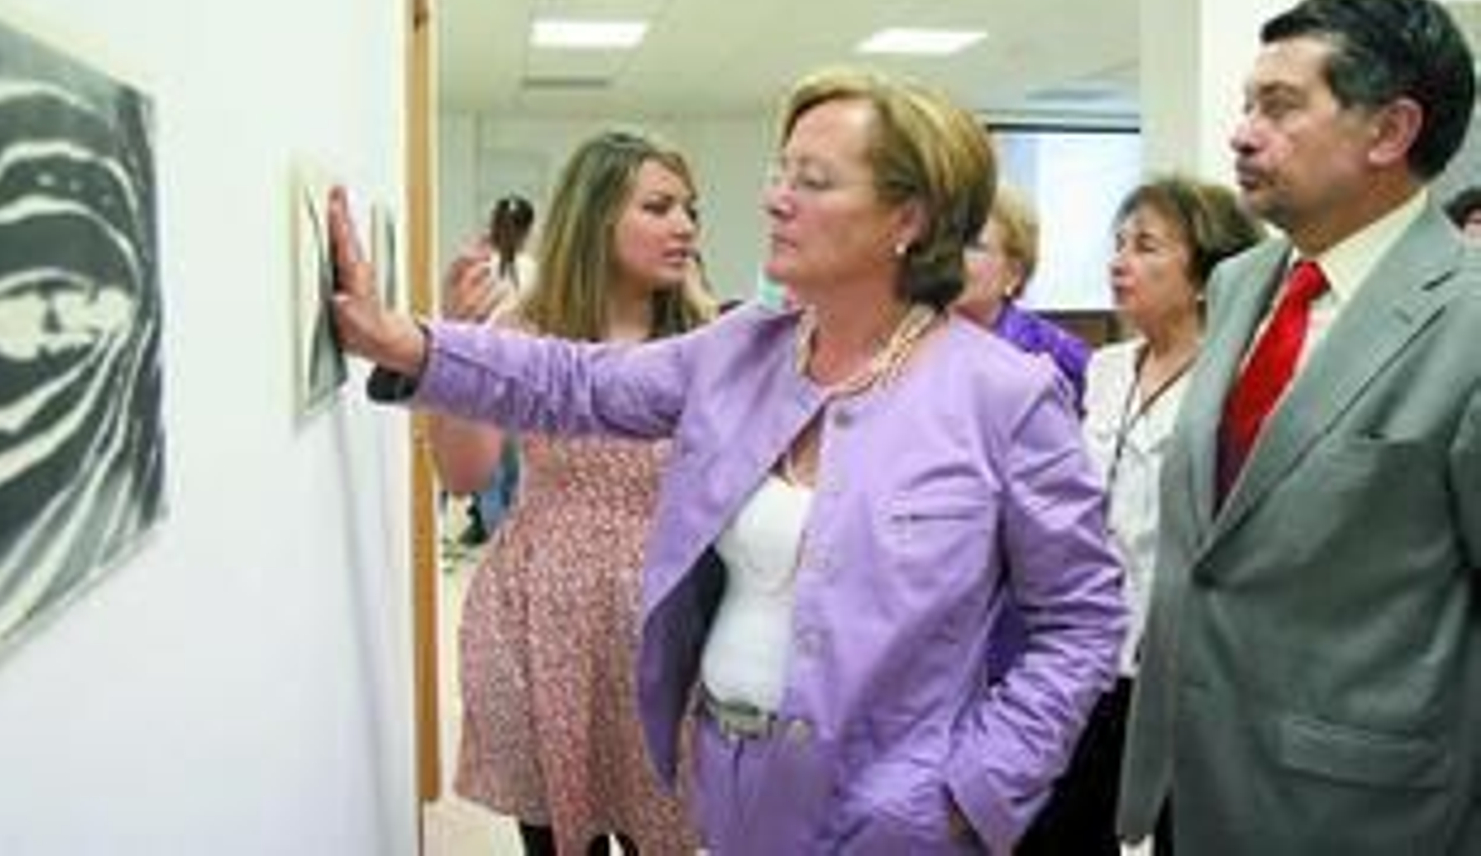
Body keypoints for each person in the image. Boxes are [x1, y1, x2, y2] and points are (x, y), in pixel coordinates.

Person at [332, 66, 1126, 854]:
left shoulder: (1004, 394)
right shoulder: (743, 350)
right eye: (781, 173)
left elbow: (1082, 618)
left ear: (907, 219)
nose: (776, 198)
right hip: (733, 789)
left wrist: (974, 790)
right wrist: (400, 339)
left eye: (813, 181)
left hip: (900, 810)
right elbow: (571, 382)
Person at [1118, 0, 1481, 855]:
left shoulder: (1467, 324)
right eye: (1247, 104)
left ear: (1389, 132)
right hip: (1182, 780)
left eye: (1278, 107)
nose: (1242, 133)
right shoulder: (1244, 283)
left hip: (1365, 814)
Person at [430, 130, 709, 855]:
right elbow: (464, 474)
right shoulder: (524, 331)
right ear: (596, 216)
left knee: (671, 832)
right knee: (558, 841)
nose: (684, 225)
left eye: (689, 208)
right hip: (542, 614)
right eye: (659, 206)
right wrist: (455, 342)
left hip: (666, 617)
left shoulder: (705, 340)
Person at [1016, 177, 1262, 856]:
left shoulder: (1238, 377)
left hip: (1182, 658)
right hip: (1090, 648)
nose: (1119, 261)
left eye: (1146, 246)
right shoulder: (1106, 368)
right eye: (1118, 244)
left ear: (1209, 276)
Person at [450, 193, 539, 546]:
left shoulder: (478, 266)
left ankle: (492, 533)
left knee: (491, 468)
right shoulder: (533, 269)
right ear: (528, 230)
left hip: (484, 372)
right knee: (516, 465)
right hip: (523, 373)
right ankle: (509, 538)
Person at [952, 184, 1091, 408]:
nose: (955, 257)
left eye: (974, 246)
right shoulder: (914, 340)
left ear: (1014, 272)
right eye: (951, 241)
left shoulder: (1056, 353)